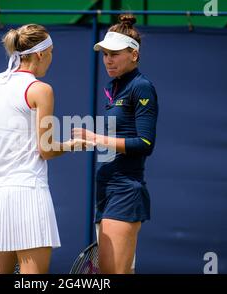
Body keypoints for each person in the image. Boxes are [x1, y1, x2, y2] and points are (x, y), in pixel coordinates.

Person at [0, 24, 90, 274]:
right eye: (52, 52)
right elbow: (46, 149)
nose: (52, 58)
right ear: (41, 54)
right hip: (30, 194)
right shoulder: (41, 90)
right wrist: (72, 145)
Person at [73, 14, 158, 274]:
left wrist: (96, 138)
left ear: (133, 54)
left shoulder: (141, 87)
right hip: (106, 191)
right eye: (105, 54)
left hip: (125, 191)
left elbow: (144, 143)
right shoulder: (115, 88)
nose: (108, 59)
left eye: (115, 53)